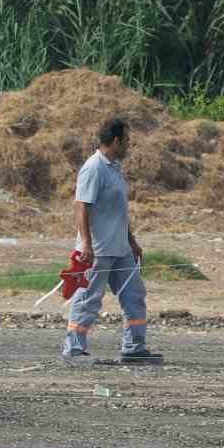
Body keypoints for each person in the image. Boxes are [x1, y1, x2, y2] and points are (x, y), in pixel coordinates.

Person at [60, 117, 161, 364]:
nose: (129, 145)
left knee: (134, 294)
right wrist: (86, 244)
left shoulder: (114, 169)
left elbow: (119, 212)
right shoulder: (94, 168)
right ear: (116, 141)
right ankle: (74, 349)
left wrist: (132, 241)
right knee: (88, 299)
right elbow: (81, 206)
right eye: (127, 141)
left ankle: (134, 347)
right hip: (98, 250)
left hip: (121, 249)